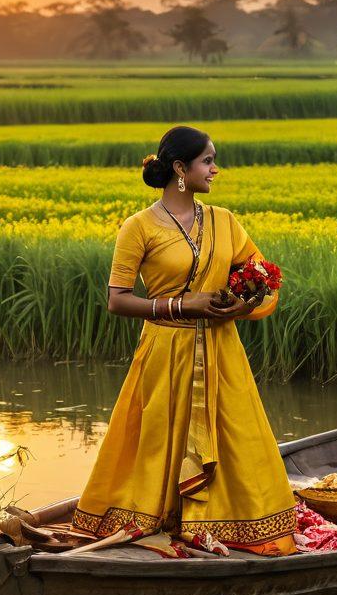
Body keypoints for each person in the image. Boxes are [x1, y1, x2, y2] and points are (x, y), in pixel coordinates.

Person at [72, 126, 297, 556]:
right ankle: (162, 517)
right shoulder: (139, 227)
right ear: (180, 168)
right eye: (207, 161)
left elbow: (262, 277)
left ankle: (226, 522)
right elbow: (117, 300)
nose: (216, 169)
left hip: (221, 349)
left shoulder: (224, 221)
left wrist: (241, 303)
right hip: (166, 351)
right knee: (160, 440)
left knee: (235, 436)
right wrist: (180, 305)